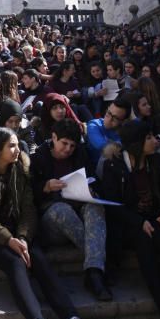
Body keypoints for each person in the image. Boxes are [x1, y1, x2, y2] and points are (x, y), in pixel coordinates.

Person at [0, 128, 98, 319]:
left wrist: (24, 238)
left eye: (18, 145)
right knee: (15, 262)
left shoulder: (21, 171)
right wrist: (9, 239)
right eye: (12, 146)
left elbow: (29, 210)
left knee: (38, 259)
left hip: (19, 233)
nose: (18, 150)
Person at [99, 120, 160, 319]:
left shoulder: (159, 162)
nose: (155, 141)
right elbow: (112, 206)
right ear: (137, 143)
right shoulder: (114, 166)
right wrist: (139, 222)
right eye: (149, 137)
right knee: (145, 243)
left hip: (156, 220)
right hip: (128, 226)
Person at [31, 119, 111, 301]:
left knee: (95, 207)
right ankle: (102, 261)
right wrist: (45, 187)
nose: (67, 149)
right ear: (53, 138)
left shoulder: (80, 155)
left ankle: (94, 273)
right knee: (62, 210)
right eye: (64, 143)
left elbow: (92, 179)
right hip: (52, 219)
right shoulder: (38, 158)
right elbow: (29, 194)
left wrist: (92, 189)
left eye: (72, 146)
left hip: (79, 206)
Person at [86, 96, 132, 165]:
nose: (109, 119)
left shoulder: (125, 131)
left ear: (123, 121)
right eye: (109, 113)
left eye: (115, 118)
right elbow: (105, 148)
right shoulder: (94, 125)